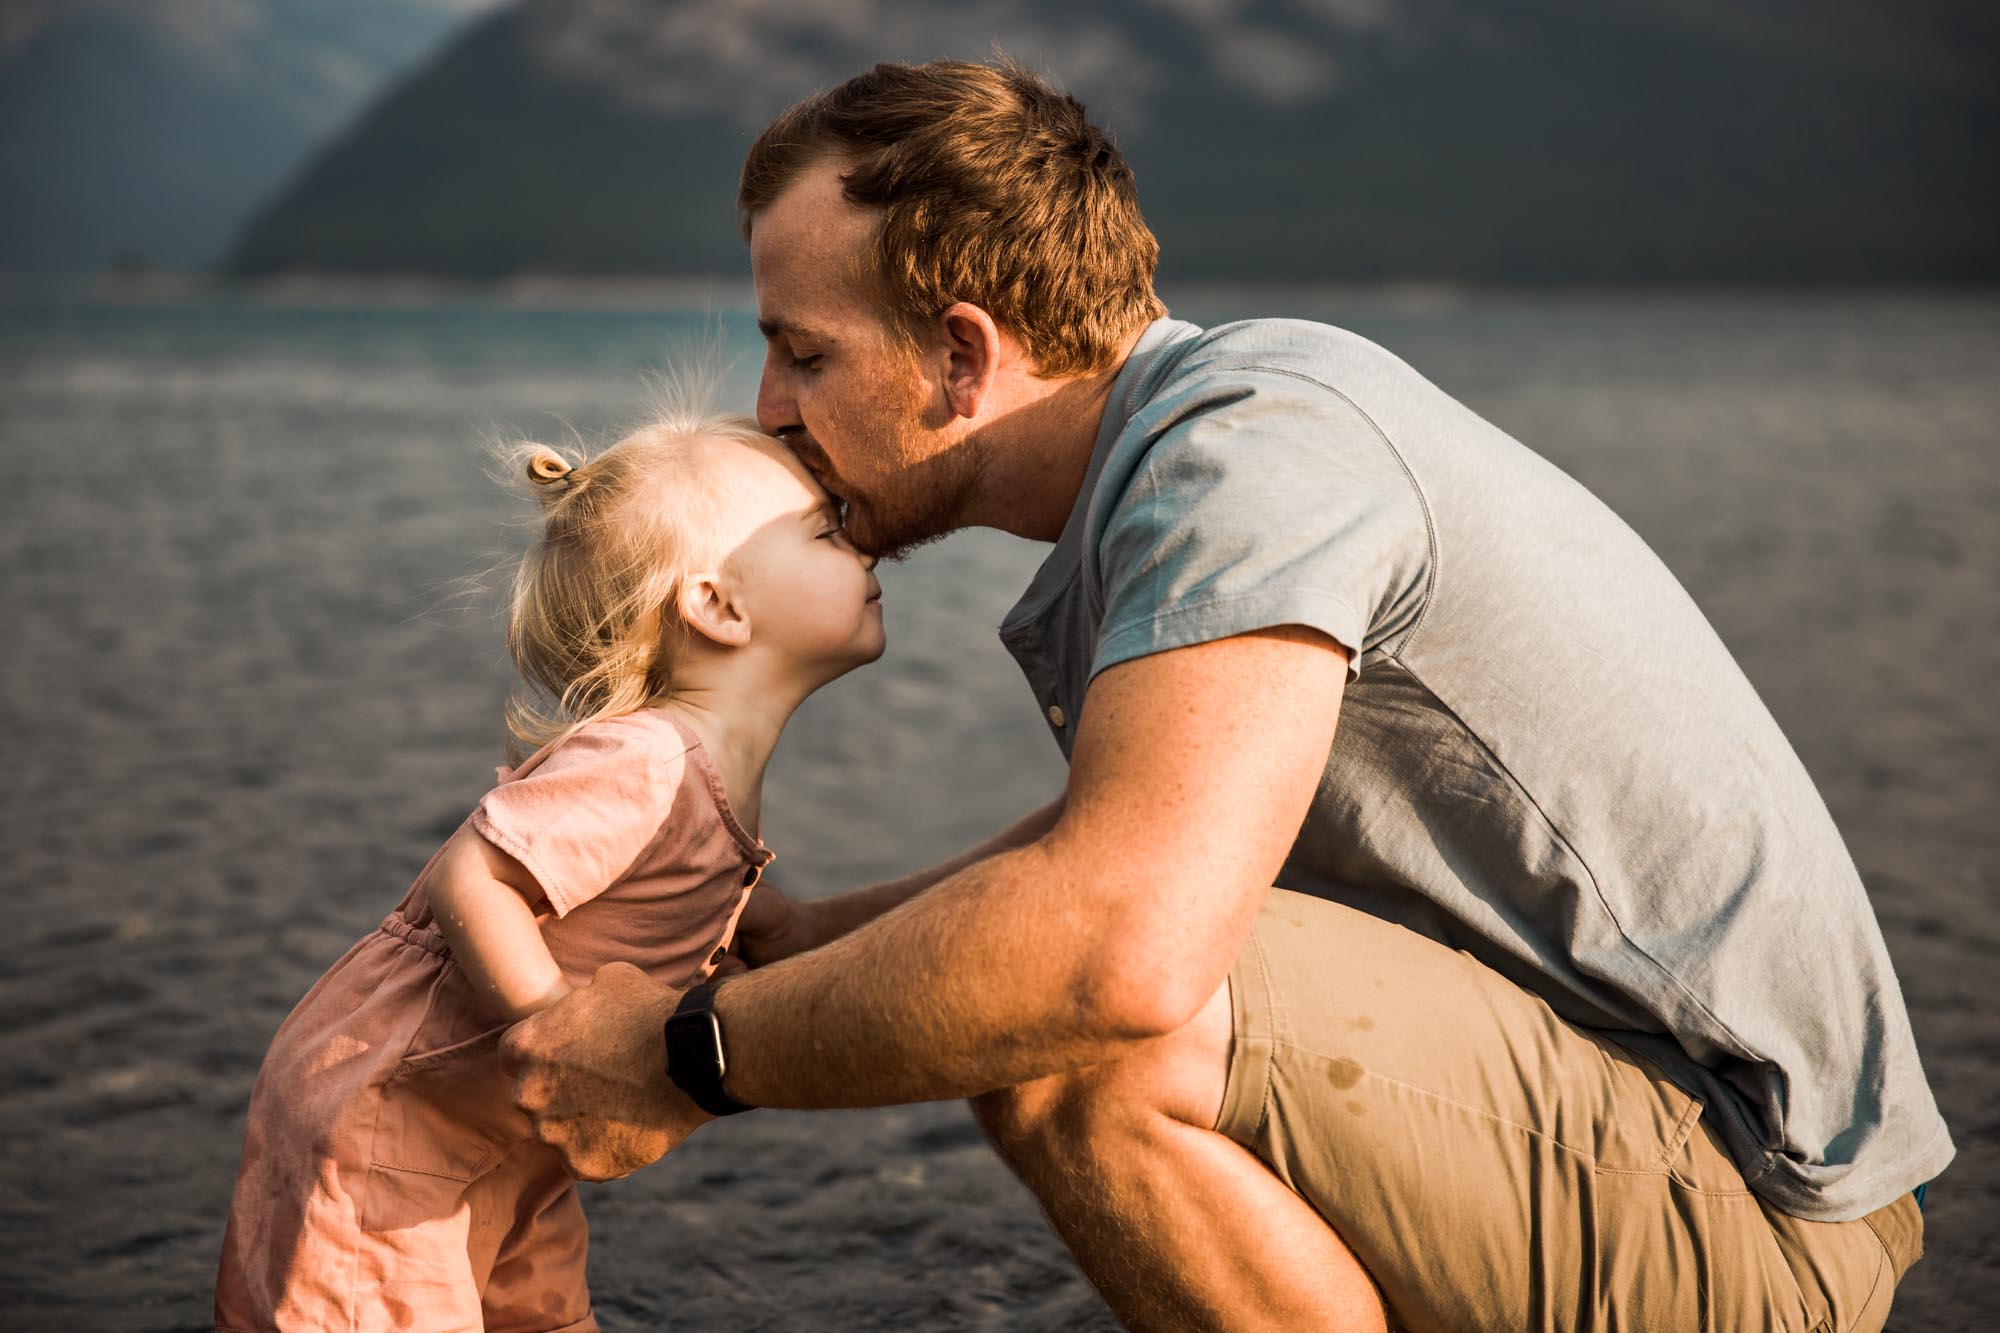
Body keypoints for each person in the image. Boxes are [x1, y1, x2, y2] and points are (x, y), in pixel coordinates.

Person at [500, 60, 1953, 1332]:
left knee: (1090, 1039)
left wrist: (688, 1059)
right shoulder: (1230, 425)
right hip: (1658, 1129)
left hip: (1763, 1214)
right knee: (1069, 945)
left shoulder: (1243, 464)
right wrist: (815, 940)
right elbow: (1129, 837)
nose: (768, 407)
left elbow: (1117, 942)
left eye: (803, 350)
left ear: (963, 351)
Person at [213, 409, 884, 1331]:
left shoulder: (700, 777)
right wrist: (563, 1031)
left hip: (503, 1141)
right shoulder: (646, 759)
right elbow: (470, 881)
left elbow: (733, 908)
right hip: (391, 1130)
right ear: (718, 605)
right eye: (825, 530)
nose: (866, 542)